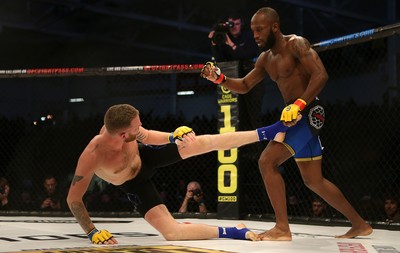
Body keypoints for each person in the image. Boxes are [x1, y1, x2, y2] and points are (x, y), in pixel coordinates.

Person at [201, 7, 372, 240]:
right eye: (253, 31)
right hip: (293, 115)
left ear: (274, 27)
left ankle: (282, 228)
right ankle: (360, 224)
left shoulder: (297, 44)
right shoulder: (265, 59)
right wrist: (219, 78)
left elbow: (320, 75)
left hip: (309, 111)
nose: (256, 36)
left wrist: (300, 104)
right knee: (314, 180)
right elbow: (244, 85)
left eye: (259, 30)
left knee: (267, 161)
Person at [67, 103, 288, 244]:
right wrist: (92, 232)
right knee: (172, 233)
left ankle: (268, 131)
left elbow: (149, 135)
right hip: (133, 184)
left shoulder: (127, 132)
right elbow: (73, 199)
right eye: (136, 127)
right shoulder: (93, 155)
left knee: (198, 143)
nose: (140, 127)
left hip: (145, 157)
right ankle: (235, 231)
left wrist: (173, 135)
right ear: (123, 135)